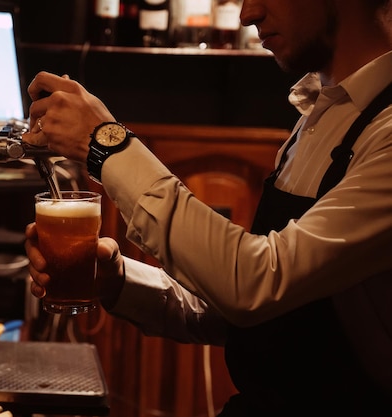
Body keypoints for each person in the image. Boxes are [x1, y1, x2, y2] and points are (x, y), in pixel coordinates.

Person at [21, 0, 392, 415]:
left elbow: (254, 284)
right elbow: (253, 313)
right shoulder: (320, 113)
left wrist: (106, 143)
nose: (247, 14)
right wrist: (117, 280)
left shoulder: (386, 133)